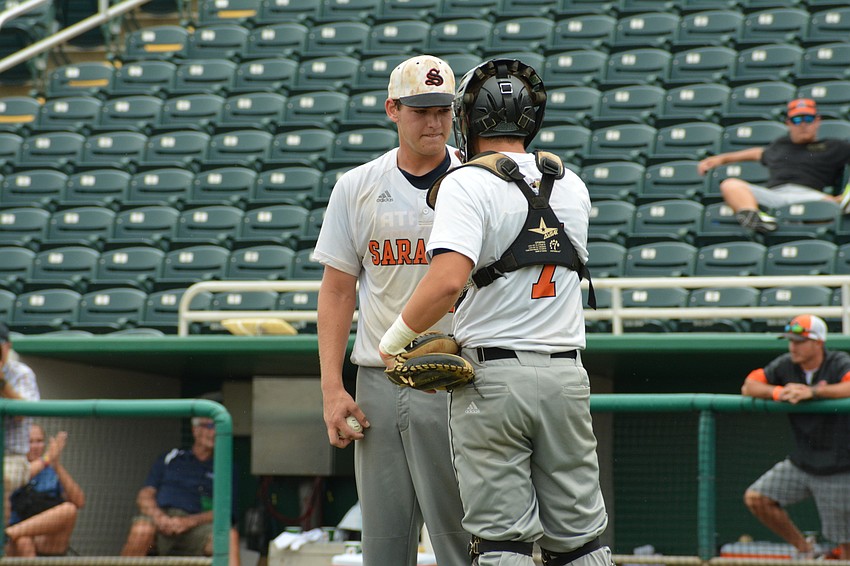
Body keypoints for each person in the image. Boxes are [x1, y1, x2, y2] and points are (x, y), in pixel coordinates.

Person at [379, 58, 611, 566]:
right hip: (567, 375)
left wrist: (392, 341)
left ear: (467, 117)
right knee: (580, 541)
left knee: (502, 541)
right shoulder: (571, 183)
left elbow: (445, 282)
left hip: (495, 380)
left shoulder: (466, 182)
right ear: (531, 118)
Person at [312, 54, 469, 566]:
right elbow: (337, 290)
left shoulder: (478, 180)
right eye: (421, 109)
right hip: (378, 381)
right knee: (382, 547)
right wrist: (334, 389)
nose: (435, 122)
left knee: (460, 542)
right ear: (392, 110)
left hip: (456, 376)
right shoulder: (357, 185)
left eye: (443, 109)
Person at [741, 314, 850, 559]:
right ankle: (805, 549)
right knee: (757, 498)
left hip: (839, 466)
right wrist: (779, 392)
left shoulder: (838, 362)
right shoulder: (785, 365)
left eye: (800, 341)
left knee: (846, 548)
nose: (793, 347)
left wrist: (812, 392)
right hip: (802, 463)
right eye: (791, 341)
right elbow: (749, 386)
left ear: (818, 342)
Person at [697, 98, 850, 233]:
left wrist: (839, 198)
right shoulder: (780, 145)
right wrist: (721, 159)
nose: (803, 124)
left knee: (836, 206)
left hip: (812, 197)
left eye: (808, 119)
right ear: (789, 123)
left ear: (817, 121)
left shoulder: (833, 146)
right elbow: (758, 153)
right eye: (797, 120)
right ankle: (756, 218)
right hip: (775, 196)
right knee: (730, 184)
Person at [120, 416, 241, 566]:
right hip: (161, 523)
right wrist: (161, 518)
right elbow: (144, 496)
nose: (214, 432)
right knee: (141, 531)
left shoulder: (225, 466)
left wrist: (187, 522)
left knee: (229, 537)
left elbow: (225, 511)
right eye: (208, 426)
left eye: (217, 427)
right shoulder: (171, 457)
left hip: (195, 528)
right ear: (195, 429)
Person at [5, 424, 85, 557]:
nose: (35, 446)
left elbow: (80, 501)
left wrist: (56, 465)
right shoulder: (14, 469)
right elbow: (25, 475)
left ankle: (10, 533)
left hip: (47, 539)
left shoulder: (52, 470)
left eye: (39, 441)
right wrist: (47, 458)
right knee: (24, 541)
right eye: (30, 441)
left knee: (69, 509)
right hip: (14, 543)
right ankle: (11, 534)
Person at [0, 322, 41, 521]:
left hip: (13, 458)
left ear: (7, 346)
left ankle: (1, 545)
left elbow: (23, 413)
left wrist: (2, 383)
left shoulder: (21, 373)